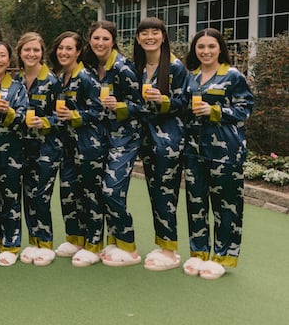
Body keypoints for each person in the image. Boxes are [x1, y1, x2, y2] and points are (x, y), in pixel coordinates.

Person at [182, 28, 253, 280]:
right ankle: (199, 253)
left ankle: (222, 257)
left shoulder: (233, 76)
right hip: (194, 151)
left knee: (226, 206)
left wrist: (215, 111)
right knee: (196, 203)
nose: (206, 51)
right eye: (201, 47)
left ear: (220, 48)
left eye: (211, 46)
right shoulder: (191, 77)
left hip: (226, 152)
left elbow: (245, 109)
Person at [83, 20, 144, 267]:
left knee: (112, 190)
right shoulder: (90, 66)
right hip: (99, 139)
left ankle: (129, 246)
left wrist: (119, 106)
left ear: (113, 41)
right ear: (90, 40)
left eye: (105, 39)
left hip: (125, 140)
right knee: (99, 192)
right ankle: (114, 241)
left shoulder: (123, 68)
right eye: (96, 38)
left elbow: (141, 106)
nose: (100, 43)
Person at [132, 17, 189, 271]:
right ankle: (162, 244)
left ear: (163, 37)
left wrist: (164, 100)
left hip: (169, 140)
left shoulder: (176, 68)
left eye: (155, 32)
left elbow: (186, 102)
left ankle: (169, 249)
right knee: (155, 192)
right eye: (144, 33)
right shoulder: (137, 67)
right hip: (146, 138)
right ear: (137, 39)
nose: (150, 37)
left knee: (167, 193)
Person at [50, 31, 106, 268]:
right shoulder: (60, 77)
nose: (64, 52)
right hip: (67, 146)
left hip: (88, 145)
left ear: (79, 51)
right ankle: (75, 238)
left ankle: (94, 244)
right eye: (61, 48)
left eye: (69, 49)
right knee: (68, 191)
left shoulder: (86, 77)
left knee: (90, 194)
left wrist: (74, 115)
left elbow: (100, 111)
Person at [14, 32, 63, 267]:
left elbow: (62, 116)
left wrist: (45, 122)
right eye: (27, 50)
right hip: (22, 147)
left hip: (47, 148)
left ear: (43, 53)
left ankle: (46, 243)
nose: (31, 54)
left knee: (41, 196)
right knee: (27, 195)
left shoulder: (52, 81)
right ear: (20, 53)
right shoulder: (16, 81)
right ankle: (33, 242)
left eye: (36, 50)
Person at [0, 41, 28, 267]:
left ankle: (11, 244)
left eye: (2, 56)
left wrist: (8, 112)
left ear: (9, 61)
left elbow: (24, 118)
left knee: (9, 198)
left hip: (10, 153)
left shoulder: (17, 87)